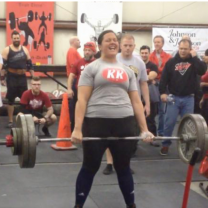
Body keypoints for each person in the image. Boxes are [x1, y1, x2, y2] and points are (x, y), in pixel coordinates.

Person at [71, 30, 154, 208]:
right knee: (89, 167)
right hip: (96, 124)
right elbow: (82, 100)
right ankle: (78, 205)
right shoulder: (91, 68)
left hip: (124, 124)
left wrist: (144, 129)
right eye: (108, 40)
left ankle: (131, 205)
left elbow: (136, 102)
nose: (113, 43)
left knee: (123, 167)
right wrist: (77, 128)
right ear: (99, 46)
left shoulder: (128, 71)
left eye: (115, 40)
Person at [103, 34, 150, 175]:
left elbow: (143, 84)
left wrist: (147, 104)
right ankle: (110, 164)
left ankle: (124, 164)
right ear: (120, 45)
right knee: (110, 134)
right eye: (125, 45)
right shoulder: (113, 59)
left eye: (130, 45)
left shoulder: (140, 62)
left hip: (133, 103)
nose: (128, 48)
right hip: (115, 102)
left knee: (129, 135)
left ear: (134, 46)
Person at [159, 39, 206, 155]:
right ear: (178, 48)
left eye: (185, 49)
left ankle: (186, 147)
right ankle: (165, 145)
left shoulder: (194, 62)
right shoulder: (171, 62)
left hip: (189, 98)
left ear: (190, 49)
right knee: (169, 123)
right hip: (173, 97)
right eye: (181, 48)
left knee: (188, 126)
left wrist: (195, 57)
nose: (183, 51)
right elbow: (164, 79)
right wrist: (162, 93)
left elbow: (202, 70)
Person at [1, 30, 34, 128]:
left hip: (22, 78)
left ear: (20, 38)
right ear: (12, 39)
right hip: (11, 77)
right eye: (14, 38)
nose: (16, 40)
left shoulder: (24, 49)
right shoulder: (7, 50)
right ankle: (11, 121)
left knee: (25, 99)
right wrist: (2, 78)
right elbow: (3, 66)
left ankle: (24, 119)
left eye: (18, 38)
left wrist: (33, 77)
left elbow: (30, 64)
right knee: (10, 100)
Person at [149, 35, 172, 137]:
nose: (156, 44)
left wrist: (157, 73)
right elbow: (148, 70)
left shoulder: (168, 57)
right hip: (152, 85)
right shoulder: (150, 56)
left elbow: (170, 72)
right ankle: (151, 132)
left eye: (159, 42)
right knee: (151, 110)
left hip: (164, 85)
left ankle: (161, 133)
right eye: (155, 42)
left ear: (162, 44)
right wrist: (152, 78)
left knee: (163, 111)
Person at [140, 45, 160, 147]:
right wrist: (147, 78)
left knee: (150, 119)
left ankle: (153, 138)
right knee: (135, 120)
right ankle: (133, 144)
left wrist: (140, 78)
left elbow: (153, 75)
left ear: (149, 53)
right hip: (137, 95)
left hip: (150, 96)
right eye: (142, 53)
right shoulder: (137, 64)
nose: (144, 54)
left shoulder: (152, 65)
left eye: (146, 53)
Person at [66, 36, 82, 132]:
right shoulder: (72, 51)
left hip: (77, 80)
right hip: (75, 80)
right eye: (78, 40)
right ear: (73, 42)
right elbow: (73, 65)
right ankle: (73, 128)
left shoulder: (74, 51)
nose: (79, 41)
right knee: (75, 104)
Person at [200, 49, 208, 124]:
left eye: (206, 55)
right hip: (206, 97)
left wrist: (204, 84)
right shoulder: (206, 68)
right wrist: (202, 99)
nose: (204, 57)